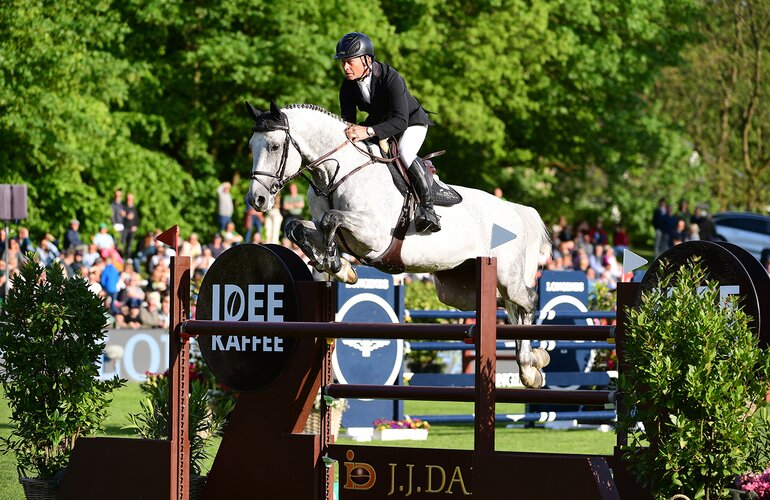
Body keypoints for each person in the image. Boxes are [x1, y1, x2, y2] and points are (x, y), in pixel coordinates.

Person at [334, 32, 440, 233]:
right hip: (380, 125)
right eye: (343, 62)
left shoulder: (390, 77)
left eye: (349, 62)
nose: (345, 67)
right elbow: (348, 121)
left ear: (367, 60)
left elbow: (401, 121)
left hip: (411, 122)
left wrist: (367, 131)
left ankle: (428, 210)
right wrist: (352, 132)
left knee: (405, 152)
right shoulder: (347, 86)